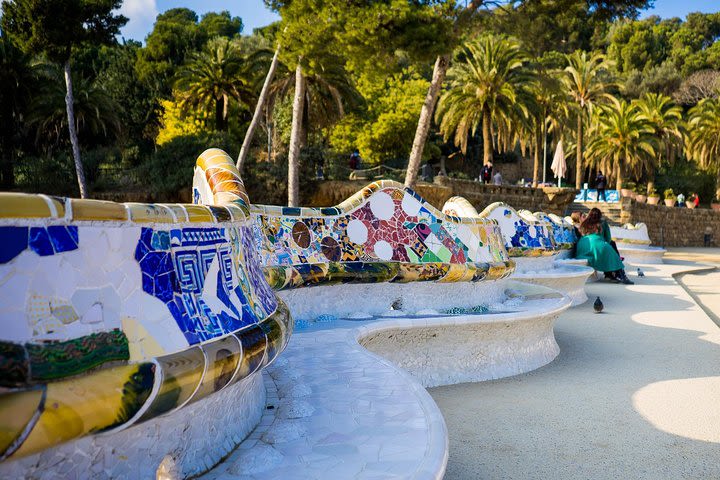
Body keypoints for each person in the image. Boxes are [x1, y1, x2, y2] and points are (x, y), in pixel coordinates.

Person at [574, 208, 634, 284]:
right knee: (611, 252)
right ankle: (621, 275)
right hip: (596, 243)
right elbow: (608, 239)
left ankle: (609, 274)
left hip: (582, 246)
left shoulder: (584, 223)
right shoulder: (602, 222)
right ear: (600, 215)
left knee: (605, 250)